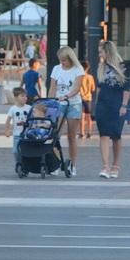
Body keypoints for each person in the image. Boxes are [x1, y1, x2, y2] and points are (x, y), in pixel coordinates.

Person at [96, 41, 130, 179]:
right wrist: (95, 105)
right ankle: (105, 166)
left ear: (108, 51)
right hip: (103, 105)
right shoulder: (101, 67)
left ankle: (115, 166)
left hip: (117, 105)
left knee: (116, 135)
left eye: (101, 52)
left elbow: (127, 89)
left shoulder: (123, 67)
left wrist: (124, 105)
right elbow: (99, 88)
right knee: (103, 135)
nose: (100, 54)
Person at [48, 46, 85, 175]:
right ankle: (55, 164)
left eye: (64, 60)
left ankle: (72, 165)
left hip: (73, 103)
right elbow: (52, 87)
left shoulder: (78, 69)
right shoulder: (56, 69)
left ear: (71, 59)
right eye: (60, 60)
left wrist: (66, 96)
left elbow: (77, 88)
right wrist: (50, 102)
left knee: (71, 136)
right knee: (54, 134)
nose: (62, 63)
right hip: (58, 103)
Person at [4, 87, 31, 163]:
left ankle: (25, 163)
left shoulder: (29, 108)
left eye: (26, 96)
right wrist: (7, 130)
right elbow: (8, 121)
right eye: (22, 96)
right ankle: (19, 163)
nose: (25, 98)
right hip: (17, 134)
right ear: (16, 97)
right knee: (15, 151)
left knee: (27, 151)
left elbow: (34, 118)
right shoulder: (13, 109)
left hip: (27, 134)